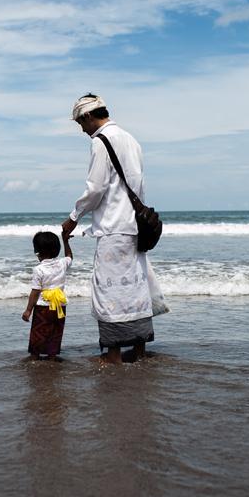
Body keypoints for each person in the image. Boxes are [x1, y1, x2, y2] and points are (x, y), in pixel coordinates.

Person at [61, 93, 163, 363]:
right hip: (134, 226)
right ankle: (139, 350)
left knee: (109, 291)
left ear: (88, 116)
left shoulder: (101, 142)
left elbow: (95, 189)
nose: (82, 130)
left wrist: (74, 216)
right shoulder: (131, 139)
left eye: (80, 123)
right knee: (135, 288)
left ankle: (114, 354)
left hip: (112, 227)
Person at [22, 231, 73, 360]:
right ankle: (52, 356)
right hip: (60, 306)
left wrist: (28, 310)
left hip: (43, 306)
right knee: (55, 332)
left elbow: (35, 292)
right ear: (56, 249)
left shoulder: (39, 269)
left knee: (38, 333)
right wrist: (66, 242)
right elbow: (69, 256)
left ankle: (35, 357)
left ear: (37, 252)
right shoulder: (62, 264)